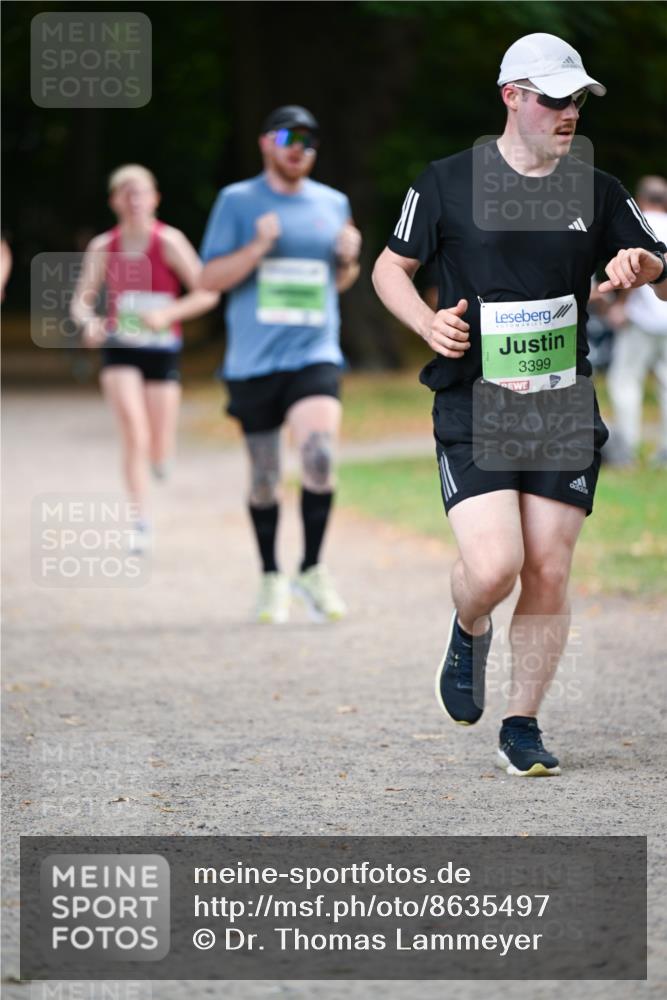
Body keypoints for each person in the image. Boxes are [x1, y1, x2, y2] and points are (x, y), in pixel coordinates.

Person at [373, 33, 667, 776]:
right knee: (496, 566)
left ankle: (521, 722)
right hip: (474, 402)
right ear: (512, 97)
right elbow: (389, 267)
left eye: (576, 101)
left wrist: (644, 261)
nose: (568, 113)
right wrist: (423, 321)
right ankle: (468, 623)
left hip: (559, 402)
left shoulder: (595, 191)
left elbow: (653, 266)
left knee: (548, 570)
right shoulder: (445, 182)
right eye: (553, 99)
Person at [199, 105, 361, 623]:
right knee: (266, 477)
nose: (301, 148)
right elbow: (209, 279)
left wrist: (350, 261)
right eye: (291, 136)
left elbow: (337, 283)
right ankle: (271, 576)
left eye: (311, 140)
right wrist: (258, 246)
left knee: (318, 458)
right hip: (253, 362)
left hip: (314, 354)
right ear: (266, 142)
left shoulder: (334, 204)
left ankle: (311, 568)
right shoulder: (237, 201)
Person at [71, 164, 219, 550]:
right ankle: (140, 521)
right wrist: (88, 322)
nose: (135, 200)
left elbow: (207, 292)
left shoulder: (169, 241)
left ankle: (161, 455)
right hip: (120, 346)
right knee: (133, 433)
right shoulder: (104, 246)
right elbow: (81, 301)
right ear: (115, 201)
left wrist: (168, 314)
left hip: (161, 349)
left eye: (142, 193)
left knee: (157, 442)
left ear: (155, 198)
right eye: (127, 193)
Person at [605, 176, 667, 465]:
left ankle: (626, 449)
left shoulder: (639, 223)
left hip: (642, 321)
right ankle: (664, 453)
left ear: (641, 199)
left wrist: (619, 306)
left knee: (626, 381)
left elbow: (633, 274)